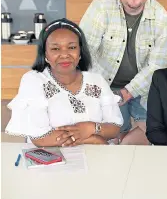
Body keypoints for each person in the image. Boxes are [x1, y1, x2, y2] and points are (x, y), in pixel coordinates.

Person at [79, 0, 167, 145]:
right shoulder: (101, 7)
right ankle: (118, 139)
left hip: (144, 89)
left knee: (154, 135)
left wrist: (128, 92)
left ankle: (124, 141)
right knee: (109, 136)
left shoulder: (160, 16)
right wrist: (105, 93)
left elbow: (156, 65)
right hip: (106, 86)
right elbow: (85, 53)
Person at [5, 18, 123, 147]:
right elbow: (40, 138)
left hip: (95, 157)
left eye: (72, 47)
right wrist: (95, 139)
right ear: (45, 54)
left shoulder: (97, 81)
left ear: (80, 52)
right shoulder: (33, 81)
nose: (64, 54)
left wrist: (90, 128)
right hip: (50, 159)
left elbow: (114, 128)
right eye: (55, 49)